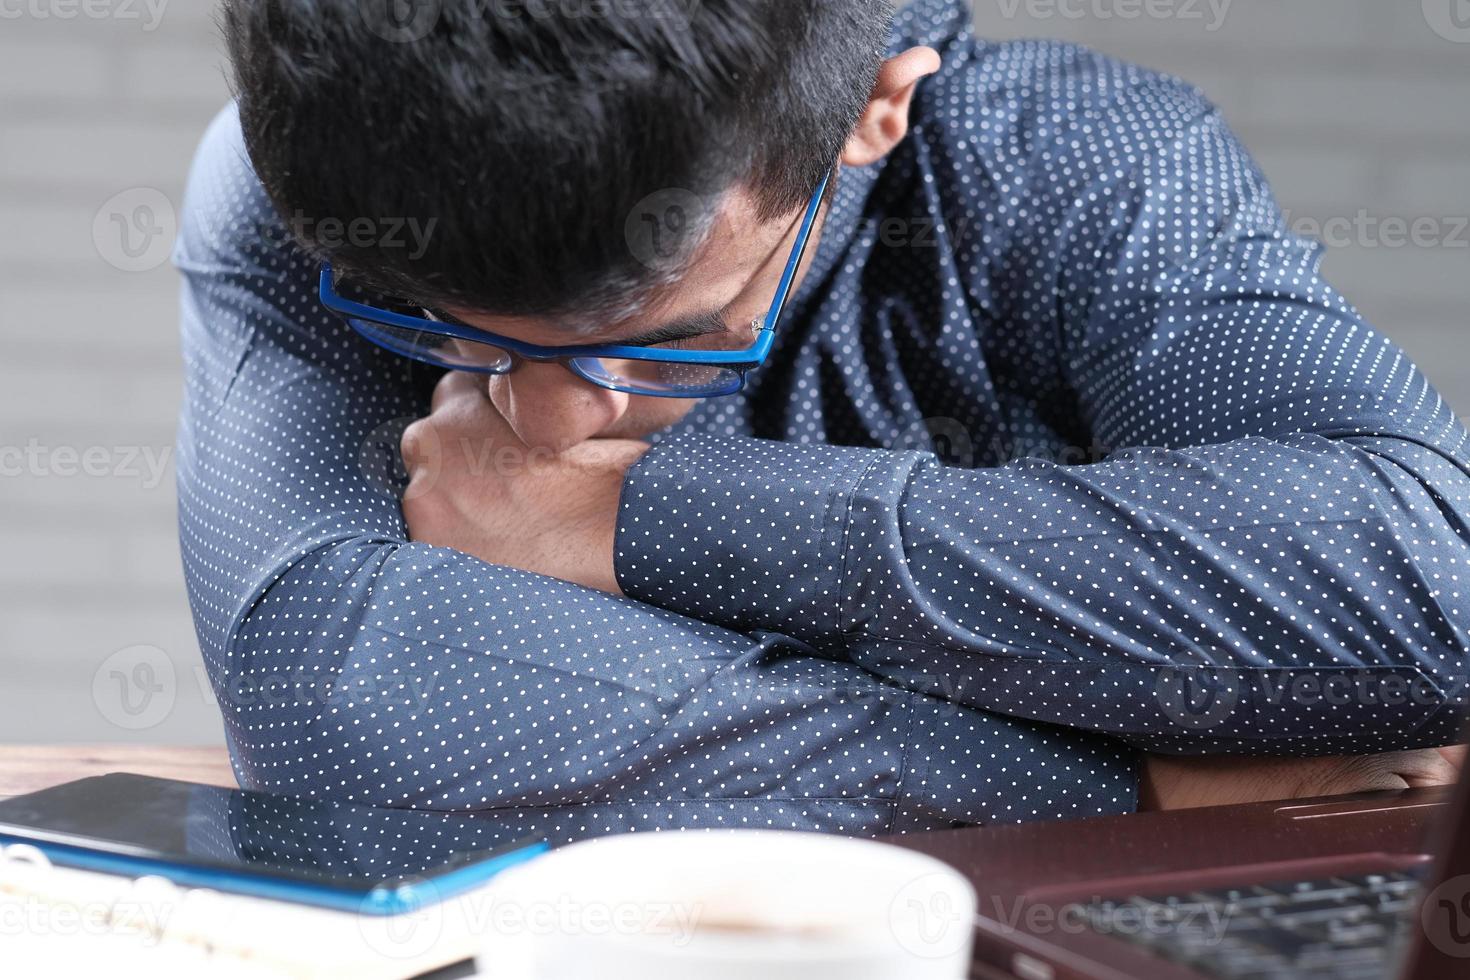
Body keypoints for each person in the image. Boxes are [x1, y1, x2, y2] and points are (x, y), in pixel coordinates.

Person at [175, 0, 1470, 845]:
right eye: (435, 321)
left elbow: (1434, 594)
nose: (548, 423)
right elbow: (331, 706)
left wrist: (642, 521)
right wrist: (1130, 788)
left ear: (876, 111)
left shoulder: (1077, 163)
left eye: (669, 333)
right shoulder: (318, 170)